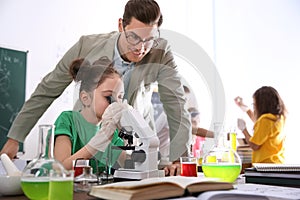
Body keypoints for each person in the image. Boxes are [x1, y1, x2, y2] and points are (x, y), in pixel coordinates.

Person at [1, 0, 191, 175]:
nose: (141, 48)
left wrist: (177, 158)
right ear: (120, 26)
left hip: (134, 141)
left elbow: (176, 105)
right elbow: (47, 90)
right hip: (84, 139)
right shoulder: (87, 45)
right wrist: (15, 138)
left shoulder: (161, 52)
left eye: (149, 40)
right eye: (134, 37)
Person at [53, 56, 128, 172]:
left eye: (120, 97)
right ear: (85, 98)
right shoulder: (67, 121)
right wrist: (98, 142)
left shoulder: (111, 131)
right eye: (109, 97)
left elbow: (130, 164)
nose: (117, 104)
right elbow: (60, 168)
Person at [235, 86, 287, 163]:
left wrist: (244, 130)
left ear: (261, 104)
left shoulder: (265, 120)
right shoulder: (278, 118)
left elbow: (254, 145)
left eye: (254, 104)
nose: (254, 106)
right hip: (277, 163)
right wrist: (245, 108)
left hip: (265, 165)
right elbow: (259, 123)